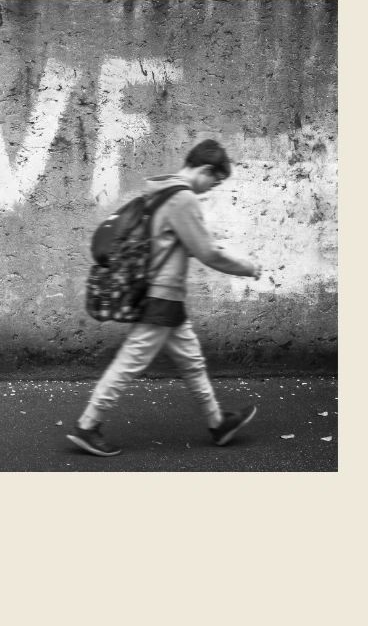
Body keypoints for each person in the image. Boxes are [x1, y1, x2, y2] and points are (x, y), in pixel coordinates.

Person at [67, 139, 262, 456]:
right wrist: (247, 268)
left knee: (193, 363)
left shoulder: (160, 190)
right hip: (161, 297)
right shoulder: (183, 198)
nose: (213, 187)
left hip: (165, 297)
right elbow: (207, 251)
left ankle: (217, 423)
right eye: (215, 180)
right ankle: (88, 426)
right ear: (205, 169)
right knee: (128, 364)